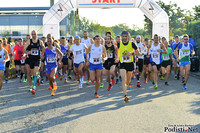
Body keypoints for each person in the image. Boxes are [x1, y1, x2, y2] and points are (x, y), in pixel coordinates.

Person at [118, 31, 140, 103]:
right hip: (122, 63)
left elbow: (139, 53)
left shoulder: (132, 44)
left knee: (127, 80)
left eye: (125, 36)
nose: (124, 38)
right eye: (123, 36)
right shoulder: (119, 44)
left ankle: (128, 83)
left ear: (128, 37)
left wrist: (131, 53)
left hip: (130, 63)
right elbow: (116, 52)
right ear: (121, 37)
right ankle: (125, 96)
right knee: (123, 79)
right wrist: (117, 57)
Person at [24, 30, 45, 95]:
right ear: (31, 35)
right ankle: (38, 77)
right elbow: (24, 50)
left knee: (35, 72)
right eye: (32, 34)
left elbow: (44, 48)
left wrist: (42, 54)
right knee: (33, 74)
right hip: (31, 59)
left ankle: (34, 88)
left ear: (37, 34)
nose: (33, 35)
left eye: (35, 34)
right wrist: (27, 52)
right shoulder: (29, 41)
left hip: (37, 59)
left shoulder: (40, 41)